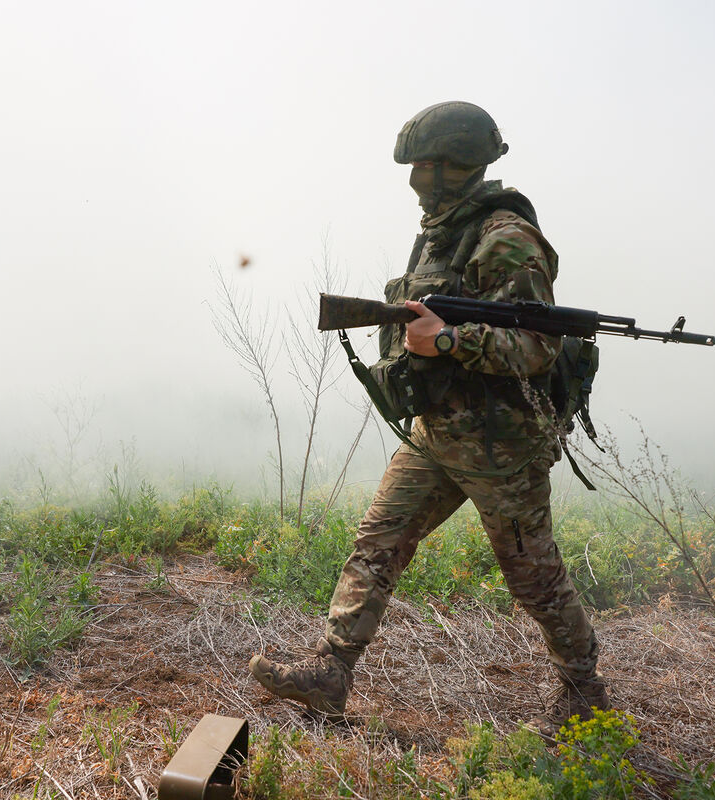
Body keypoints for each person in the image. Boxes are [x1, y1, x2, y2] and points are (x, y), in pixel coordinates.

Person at [248, 101, 609, 736]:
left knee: (534, 577)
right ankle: (331, 671)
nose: (414, 178)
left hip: (502, 448)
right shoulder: (443, 233)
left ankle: (585, 693)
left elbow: (537, 347)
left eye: (423, 165)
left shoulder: (506, 238)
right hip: (438, 435)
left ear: (454, 165)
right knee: (378, 543)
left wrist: (446, 340)